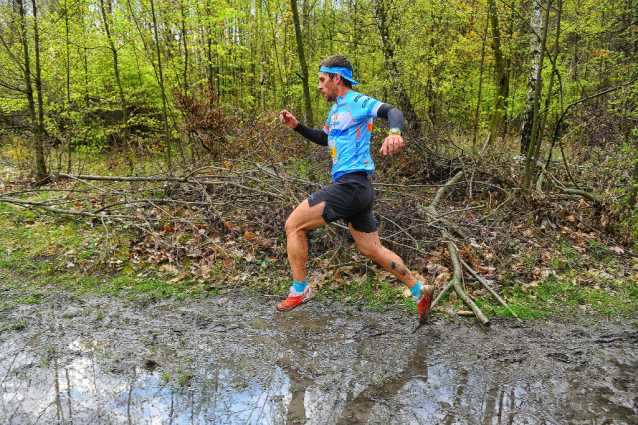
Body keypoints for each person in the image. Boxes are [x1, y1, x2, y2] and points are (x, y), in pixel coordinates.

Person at [277, 55, 434, 324]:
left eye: (322, 80)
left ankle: (300, 290)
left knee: (294, 225)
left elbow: (393, 112)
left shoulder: (356, 101)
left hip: (351, 186)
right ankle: (420, 290)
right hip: (359, 190)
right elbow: (326, 139)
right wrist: (297, 126)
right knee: (372, 250)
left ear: (337, 78)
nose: (319, 86)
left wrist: (395, 132)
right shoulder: (336, 110)